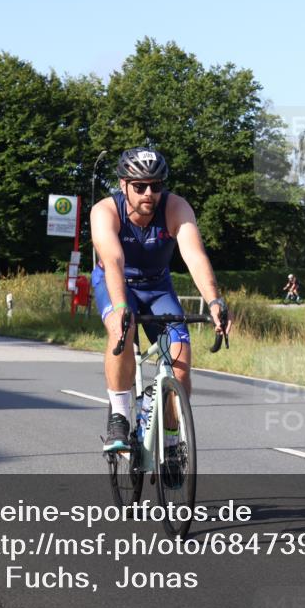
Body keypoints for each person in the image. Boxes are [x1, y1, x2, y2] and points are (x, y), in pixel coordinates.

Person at [90, 147, 230, 452]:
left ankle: (169, 443)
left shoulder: (176, 208)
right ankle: (119, 416)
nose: (149, 193)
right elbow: (113, 260)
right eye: (140, 186)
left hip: (157, 287)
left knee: (180, 364)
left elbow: (194, 255)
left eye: (156, 185)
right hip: (117, 283)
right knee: (121, 330)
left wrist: (215, 301)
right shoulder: (105, 211)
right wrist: (122, 309)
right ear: (123, 184)